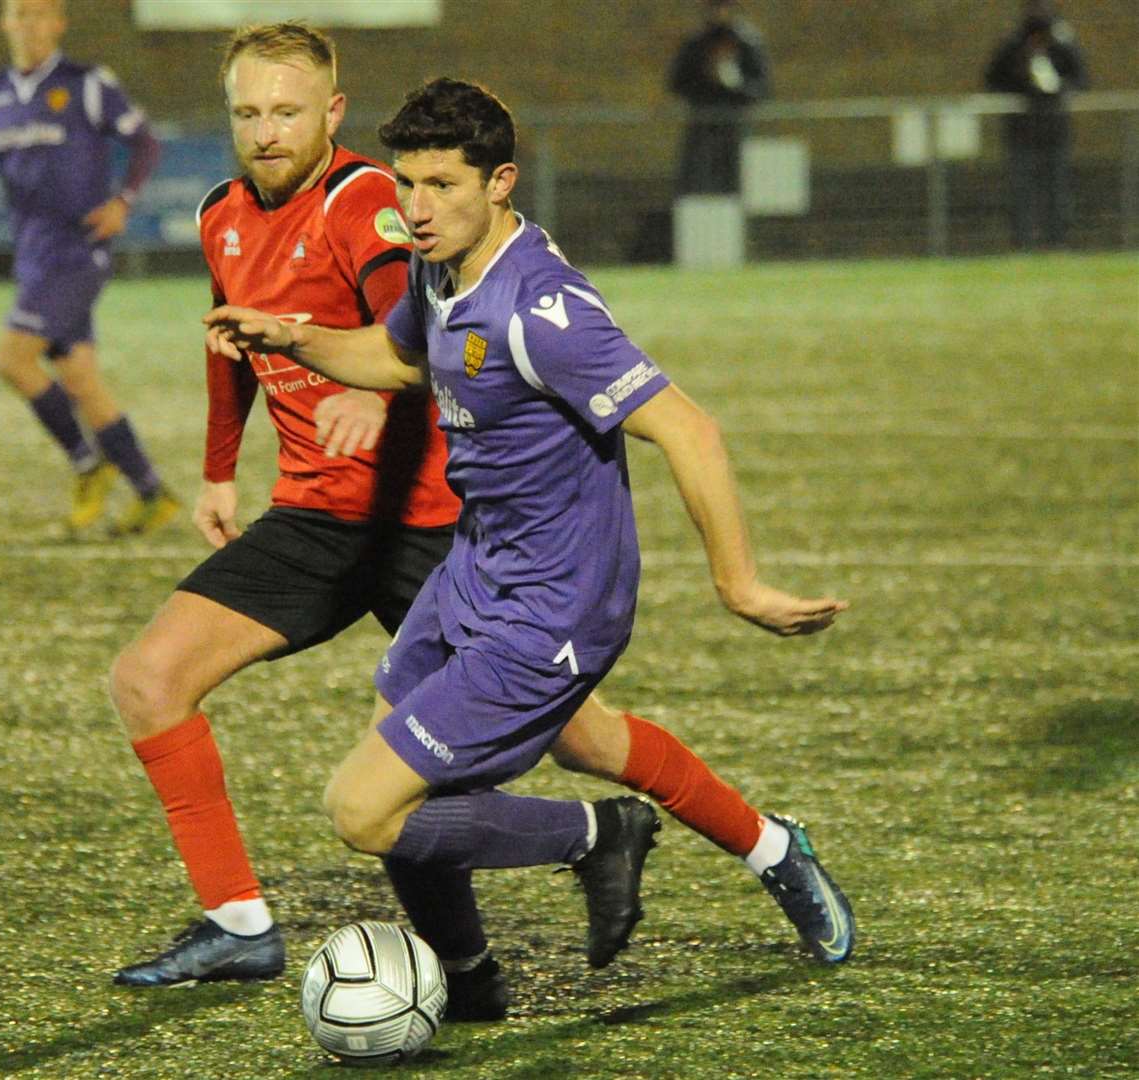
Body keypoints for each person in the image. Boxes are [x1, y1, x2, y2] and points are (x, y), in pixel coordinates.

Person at [197, 74, 857, 1006]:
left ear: (501, 182)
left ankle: (599, 838)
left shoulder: (543, 312)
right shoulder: (438, 267)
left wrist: (737, 585)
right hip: (475, 570)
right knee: (558, 748)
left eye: (442, 188)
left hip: (556, 604)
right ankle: (495, 970)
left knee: (366, 806)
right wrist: (284, 334)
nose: (416, 211)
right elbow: (393, 360)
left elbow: (689, 429)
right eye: (406, 185)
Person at [0, 0, 179, 536]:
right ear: (5, 23)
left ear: (59, 23)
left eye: (42, 14)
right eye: (21, 14)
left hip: (77, 251)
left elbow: (145, 142)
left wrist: (123, 201)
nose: (31, 24)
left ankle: (90, 464)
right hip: (34, 256)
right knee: (82, 380)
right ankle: (153, 492)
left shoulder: (86, 83)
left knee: (14, 359)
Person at [984, 0, 1087, 249]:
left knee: (1057, 186)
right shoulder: (1013, 45)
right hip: (1022, 130)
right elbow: (992, 79)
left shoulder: (1062, 44)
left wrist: (1061, 90)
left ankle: (1057, 241)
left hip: (1054, 128)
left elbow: (1081, 78)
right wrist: (1020, 87)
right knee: (1021, 188)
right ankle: (1023, 242)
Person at [668, 0, 770, 197]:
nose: (719, 13)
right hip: (703, 120)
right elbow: (677, 82)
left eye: (724, 7)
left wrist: (735, 84)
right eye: (715, 7)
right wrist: (705, 80)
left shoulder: (747, 42)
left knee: (734, 179)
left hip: (734, 121)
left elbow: (761, 87)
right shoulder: (696, 43)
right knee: (699, 180)